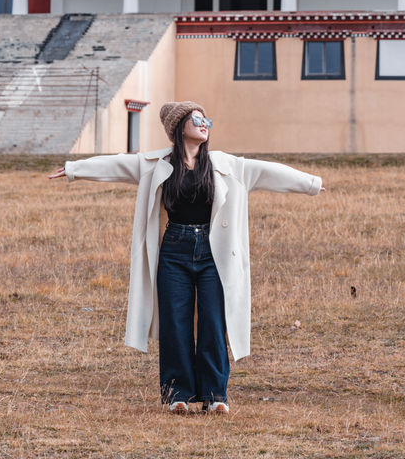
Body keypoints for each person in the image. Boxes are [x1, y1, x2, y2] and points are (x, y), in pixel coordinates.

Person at [49, 99, 325, 415]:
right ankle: (177, 394)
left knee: (212, 320)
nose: (204, 123)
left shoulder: (226, 164)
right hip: (173, 250)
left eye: (206, 119)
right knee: (175, 322)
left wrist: (311, 184)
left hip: (213, 252)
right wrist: (74, 169)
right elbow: (115, 165)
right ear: (180, 126)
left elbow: (269, 172)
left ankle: (214, 395)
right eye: (197, 119)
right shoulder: (155, 164)